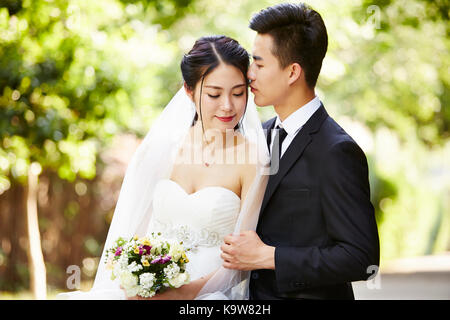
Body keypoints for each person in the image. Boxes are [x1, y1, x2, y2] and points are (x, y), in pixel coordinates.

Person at [57, 35, 270, 300]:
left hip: (210, 294)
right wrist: (133, 281)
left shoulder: (254, 159)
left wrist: (181, 294)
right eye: (214, 94)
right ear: (189, 91)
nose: (228, 105)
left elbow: (242, 261)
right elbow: (132, 233)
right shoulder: (163, 147)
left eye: (238, 93)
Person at [220, 3, 380, 300]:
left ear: (293, 71)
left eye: (259, 63)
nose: (249, 75)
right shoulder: (259, 136)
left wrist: (269, 257)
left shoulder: (337, 151)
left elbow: (361, 258)